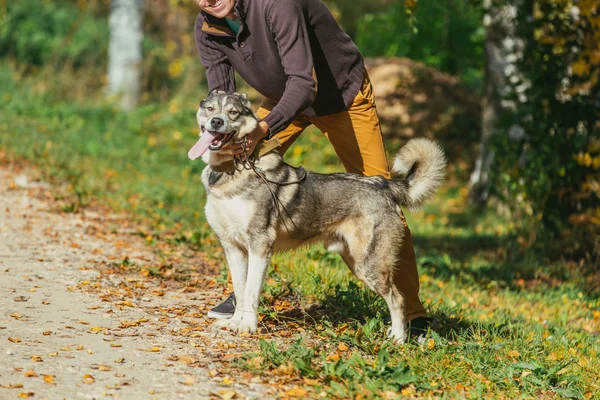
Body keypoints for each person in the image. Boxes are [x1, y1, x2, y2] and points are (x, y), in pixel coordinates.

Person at [194, 0, 431, 335]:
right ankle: (244, 299)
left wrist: (264, 128)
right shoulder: (208, 27)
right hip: (283, 98)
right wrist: (228, 136)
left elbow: (305, 84)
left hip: (341, 97)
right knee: (241, 177)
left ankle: (412, 314)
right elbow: (221, 95)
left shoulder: (277, 5)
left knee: (380, 201)